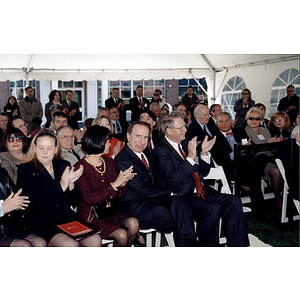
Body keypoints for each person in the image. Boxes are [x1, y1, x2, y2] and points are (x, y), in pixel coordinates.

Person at [153, 112, 250, 246]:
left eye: (185, 126)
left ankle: (238, 246)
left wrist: (204, 153)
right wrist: (190, 158)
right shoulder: (160, 151)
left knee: (234, 201)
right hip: (182, 197)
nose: (185, 130)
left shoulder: (186, 143)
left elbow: (203, 171)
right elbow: (173, 180)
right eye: (180, 128)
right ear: (169, 131)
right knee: (212, 209)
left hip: (201, 191)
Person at [115, 121, 198, 247]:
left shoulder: (146, 152)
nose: (141, 142)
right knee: (182, 215)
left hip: (153, 200)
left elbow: (155, 180)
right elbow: (142, 189)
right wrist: (169, 192)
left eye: (145, 138)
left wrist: (171, 193)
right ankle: (189, 246)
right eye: (137, 136)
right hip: (136, 208)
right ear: (128, 136)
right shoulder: (123, 160)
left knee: (179, 202)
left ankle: (186, 245)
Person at [17, 130, 101, 247]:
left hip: (65, 217)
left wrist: (71, 184)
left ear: (56, 149)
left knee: (95, 239)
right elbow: (36, 205)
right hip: (42, 221)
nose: (45, 152)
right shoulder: (25, 169)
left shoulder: (63, 165)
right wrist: (62, 187)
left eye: (50, 148)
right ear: (34, 148)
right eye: (41, 148)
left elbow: (73, 201)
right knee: (70, 245)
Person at [74, 125, 139, 246]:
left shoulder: (109, 163)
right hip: (91, 216)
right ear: (98, 142)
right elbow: (90, 199)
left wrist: (123, 183)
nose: (110, 145)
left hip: (110, 211)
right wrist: (115, 184)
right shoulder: (80, 167)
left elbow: (118, 194)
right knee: (121, 235)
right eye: (107, 141)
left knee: (134, 223)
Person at [215, 112, 269, 213]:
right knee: (254, 177)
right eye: (221, 121)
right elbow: (221, 159)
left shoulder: (239, 131)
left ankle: (244, 181)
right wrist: (238, 152)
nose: (224, 123)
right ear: (217, 124)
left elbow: (252, 148)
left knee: (263, 157)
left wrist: (247, 147)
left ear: (231, 122)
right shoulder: (215, 138)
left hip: (247, 161)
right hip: (232, 165)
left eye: (226, 120)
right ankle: (259, 210)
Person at [244, 107, 283, 209]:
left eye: (257, 118)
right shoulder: (245, 131)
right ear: (247, 119)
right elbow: (253, 150)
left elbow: (272, 149)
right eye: (251, 118)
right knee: (277, 172)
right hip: (257, 161)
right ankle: (278, 200)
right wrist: (267, 145)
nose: (254, 121)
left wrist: (276, 143)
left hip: (270, 157)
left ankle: (286, 197)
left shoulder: (264, 130)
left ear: (261, 120)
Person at [0, 167, 46, 247]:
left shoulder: (2, 173)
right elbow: (4, 208)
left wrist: (18, 205)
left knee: (40, 243)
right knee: (24, 246)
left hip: (10, 226)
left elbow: (17, 198)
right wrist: (2, 209)